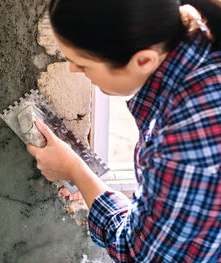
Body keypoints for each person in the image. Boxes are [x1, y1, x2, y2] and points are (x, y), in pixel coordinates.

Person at [26, 0, 221, 262]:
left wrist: (75, 171)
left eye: (84, 64)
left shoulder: (187, 137)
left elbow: (139, 253)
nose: (73, 69)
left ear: (143, 60)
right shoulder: (197, 45)